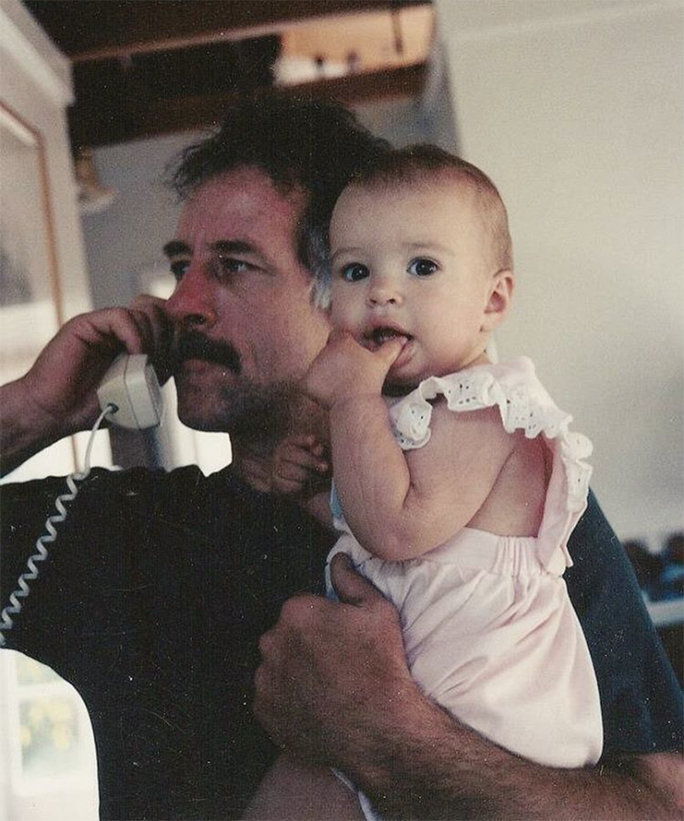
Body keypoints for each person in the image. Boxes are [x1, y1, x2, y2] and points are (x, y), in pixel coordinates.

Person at [0, 94, 681, 820]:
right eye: (180, 264)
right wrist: (32, 409)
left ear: (350, 299)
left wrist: (389, 740)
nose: (181, 303)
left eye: (233, 266)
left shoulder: (509, 500)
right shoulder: (126, 531)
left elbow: (662, 803)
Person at [248, 145, 605, 818]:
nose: (383, 291)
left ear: (492, 300)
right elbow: (357, 511)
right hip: (416, 676)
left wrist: (351, 401)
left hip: (482, 706)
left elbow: (394, 529)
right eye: (355, 271)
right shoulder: (404, 408)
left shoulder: (487, 408)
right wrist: (309, 480)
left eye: (422, 266)